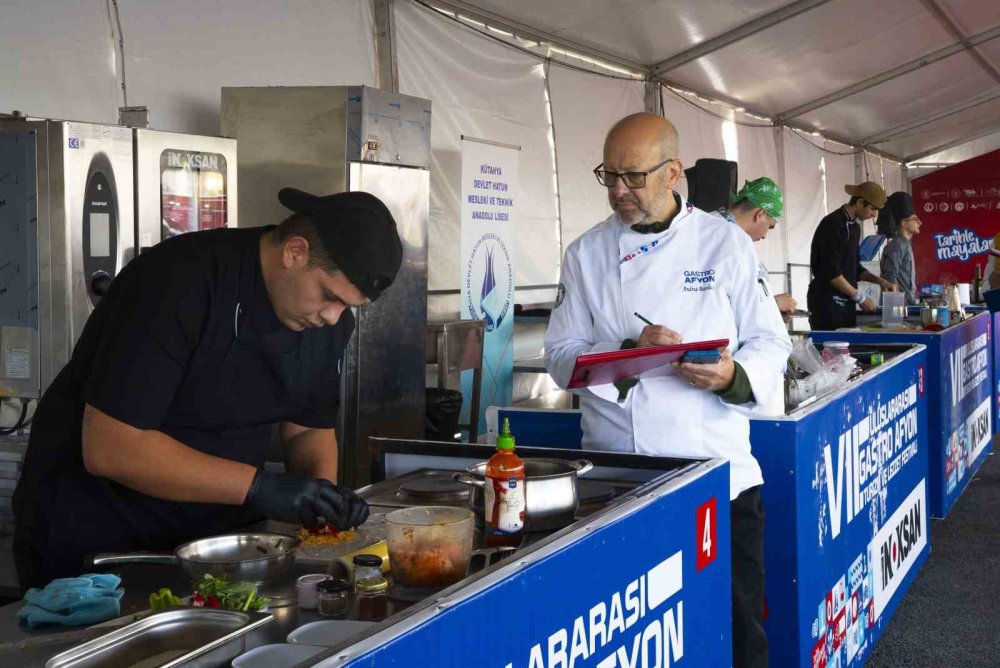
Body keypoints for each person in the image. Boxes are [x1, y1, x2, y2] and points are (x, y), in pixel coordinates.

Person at [13, 188, 402, 588]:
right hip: (103, 541)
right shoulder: (177, 281)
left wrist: (321, 504)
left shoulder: (325, 322)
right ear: (295, 252)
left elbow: (307, 430)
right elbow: (112, 447)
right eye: (329, 296)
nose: (334, 317)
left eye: (347, 306)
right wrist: (260, 488)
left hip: (217, 544)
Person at [544, 112, 791, 668]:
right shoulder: (586, 253)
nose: (618, 190)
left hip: (717, 475)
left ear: (673, 172)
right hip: (617, 478)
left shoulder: (724, 243)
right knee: (637, 645)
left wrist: (731, 376)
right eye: (609, 175)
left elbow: (769, 342)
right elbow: (560, 358)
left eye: (633, 177)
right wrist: (629, 351)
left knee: (736, 629)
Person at [807, 182, 898, 330]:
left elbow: (855, 268)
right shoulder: (832, 224)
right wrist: (860, 298)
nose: (874, 215)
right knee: (830, 343)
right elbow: (831, 272)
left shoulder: (855, 228)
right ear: (860, 202)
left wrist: (880, 281)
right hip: (827, 302)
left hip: (847, 302)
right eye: (873, 209)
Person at [717, 177, 798, 320]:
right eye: (770, 226)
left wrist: (770, 311)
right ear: (760, 214)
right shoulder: (727, 238)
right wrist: (773, 303)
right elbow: (718, 299)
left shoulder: (719, 227)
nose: (765, 235)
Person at [879, 192, 921, 304]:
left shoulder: (905, 244)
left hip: (906, 306)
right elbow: (890, 279)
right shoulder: (897, 246)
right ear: (904, 223)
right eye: (915, 219)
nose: (920, 222)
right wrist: (897, 308)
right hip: (897, 308)